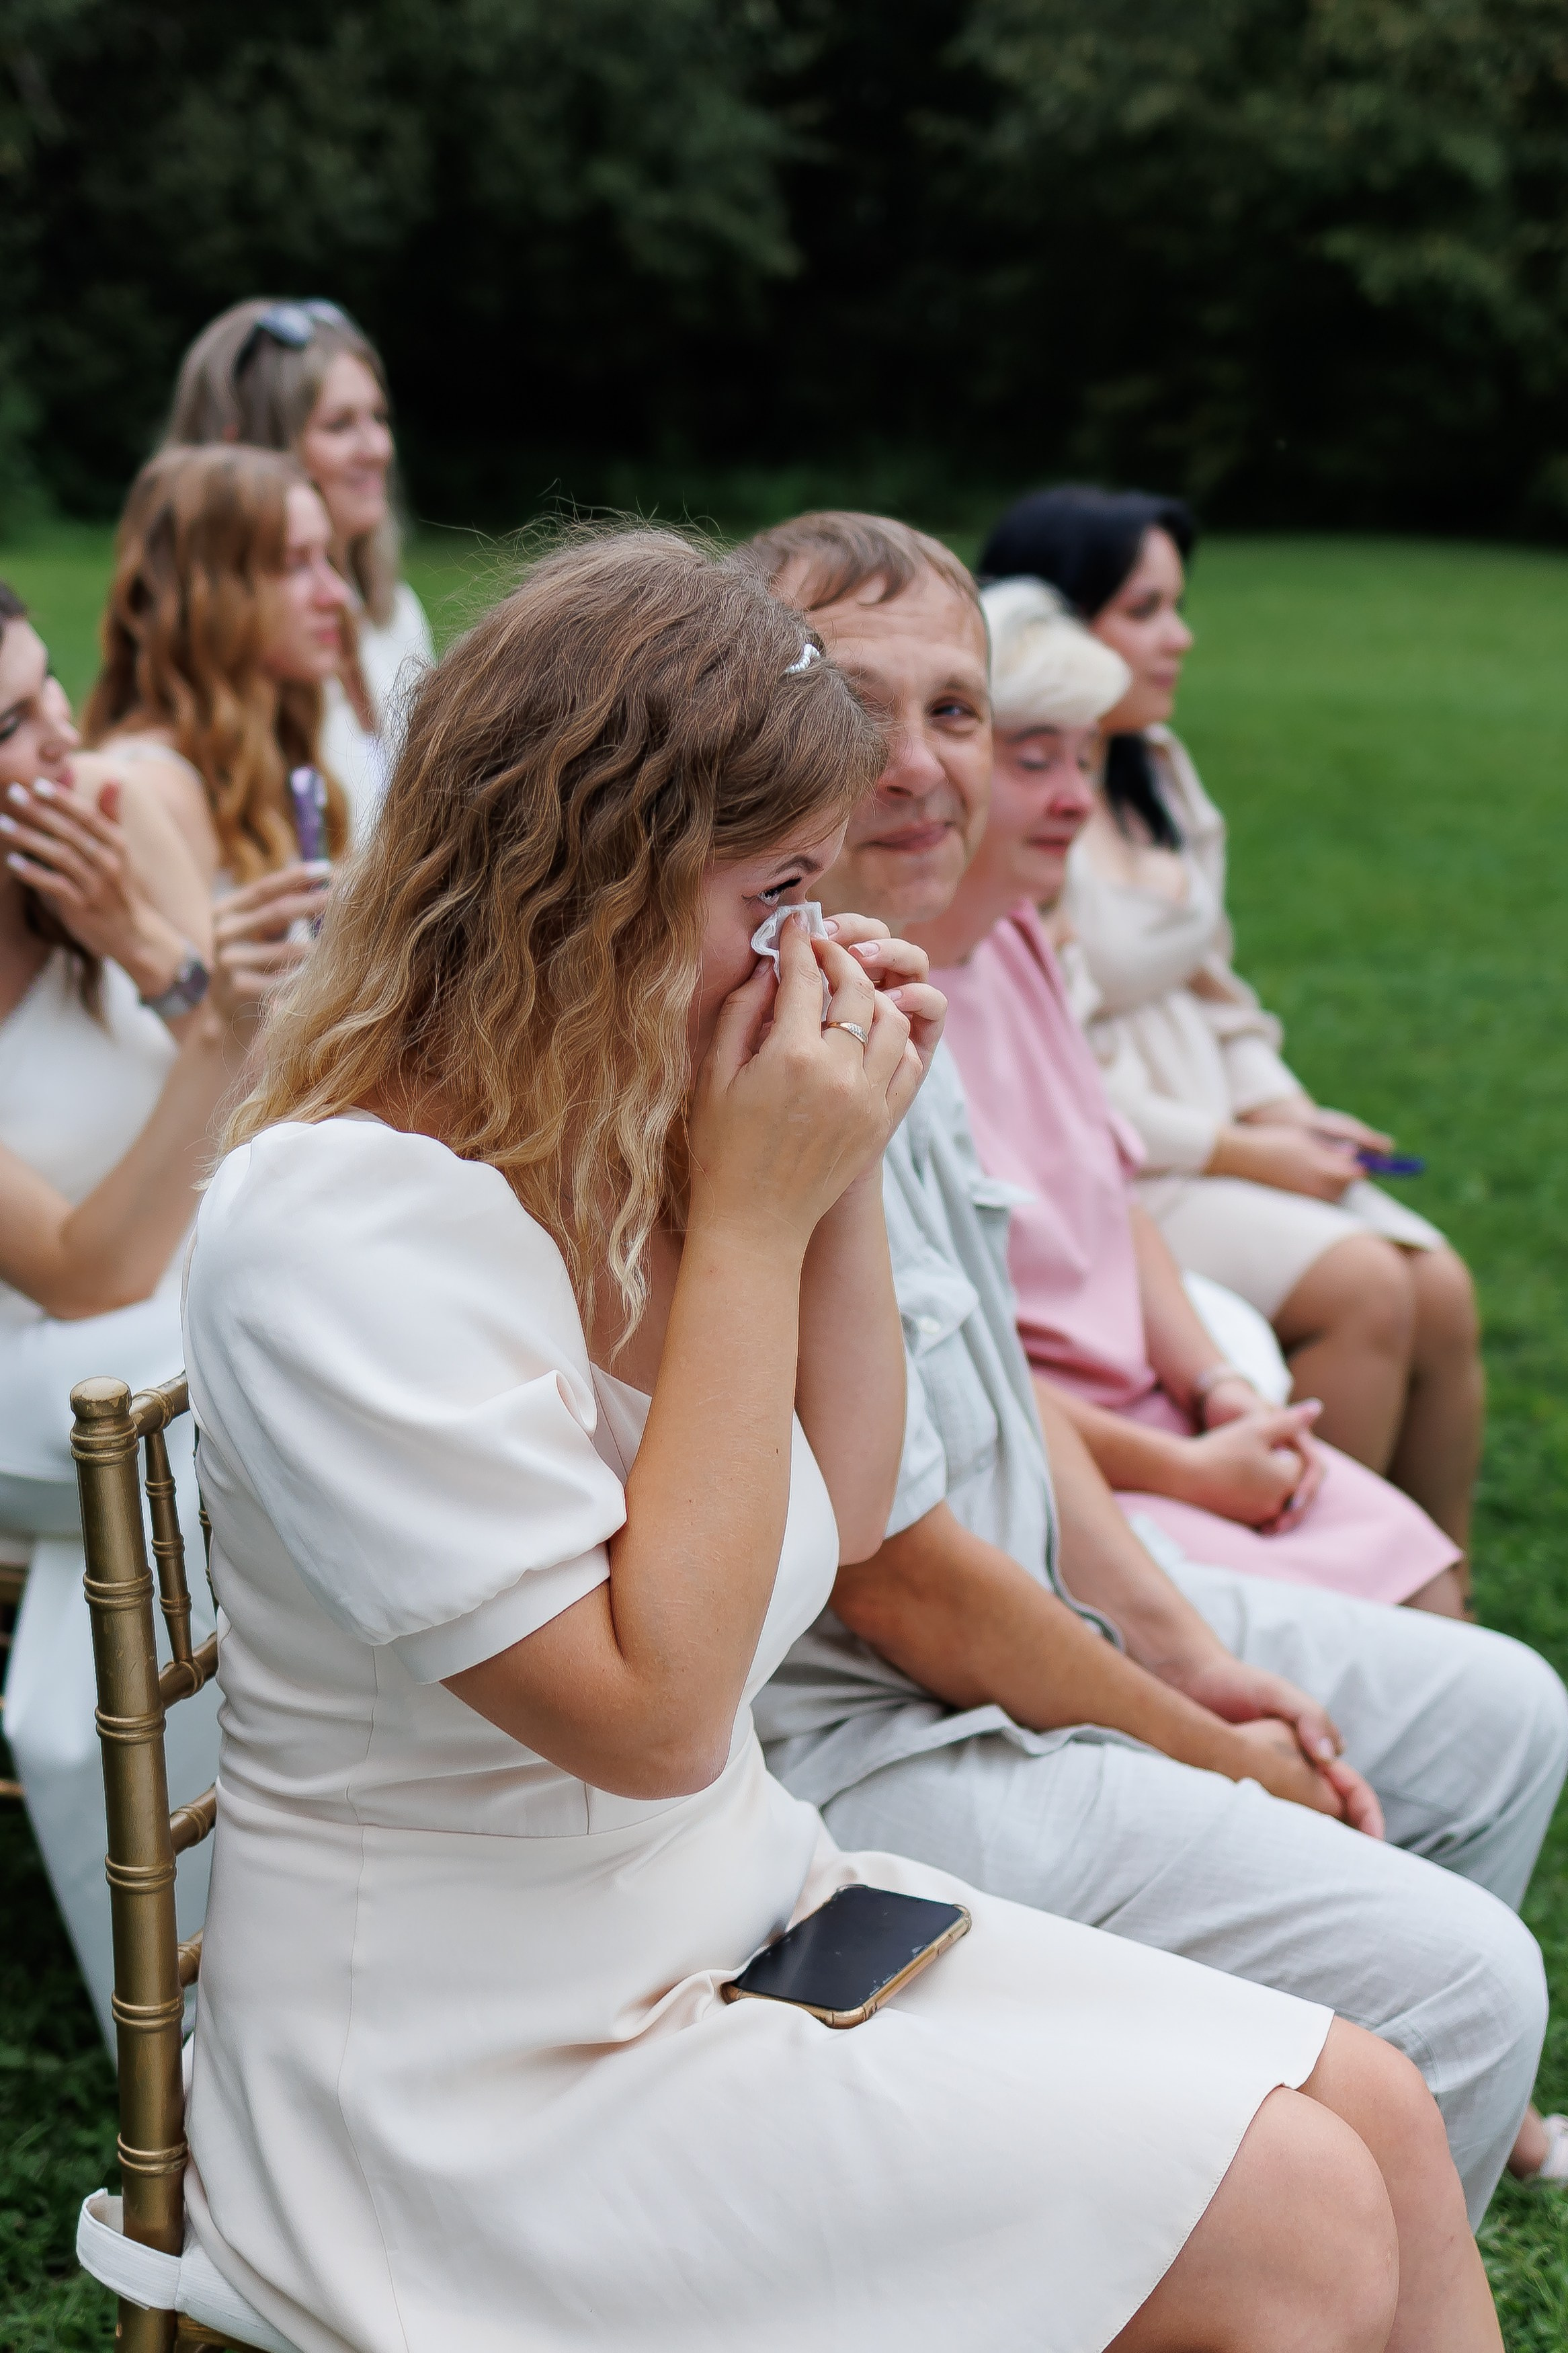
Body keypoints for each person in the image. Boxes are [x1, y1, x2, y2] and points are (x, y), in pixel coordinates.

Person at [180, 526, 1489, 2353]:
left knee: (1377, 2109)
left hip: (728, 1920)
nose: (806, 942)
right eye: (774, 891)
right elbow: (646, 1716)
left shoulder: (603, 1122)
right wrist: (747, 1221)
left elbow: (848, 1494)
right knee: (1297, 2221)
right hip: (472, 2082)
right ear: (594, 880)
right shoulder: (336, 1226)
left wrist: (836, 1160)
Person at [740, 506, 1568, 2205]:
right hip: (857, 1753)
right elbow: (890, 1581)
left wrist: (1184, 1653)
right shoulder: (763, 1045)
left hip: (1023, 1621)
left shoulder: (900, 989)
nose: (918, 765)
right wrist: (1203, 1749)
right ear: (741, 731)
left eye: (955, 713)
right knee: (1469, 1978)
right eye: (851, 705)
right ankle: (1282, 2205)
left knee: (1499, 1716)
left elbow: (1010, 1411)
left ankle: (1319, 2188)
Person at [920, 575, 1467, 1613]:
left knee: (1435, 1579)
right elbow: (954, 1370)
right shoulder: (894, 1007)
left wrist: (1216, 1386)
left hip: (1151, 1407)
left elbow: (1115, 1209)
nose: (1080, 800)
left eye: (1086, 760)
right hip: (1054, 1463)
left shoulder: (1018, 943)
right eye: (1038, 763)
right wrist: (1192, 1468)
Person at [0, 579, 328, 2041]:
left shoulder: (106, 834)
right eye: (12, 727)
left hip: (199, 1291)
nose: (66, 752)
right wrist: (204, 1027)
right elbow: (81, 1268)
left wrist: (150, 950)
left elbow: (280, 1106)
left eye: (52, 697)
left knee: (257, 1341)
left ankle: (232, 1948)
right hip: (42, 1361)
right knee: (259, 1354)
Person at [165, 296, 436, 836]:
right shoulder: (224, 664)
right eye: (340, 426)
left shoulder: (393, 614)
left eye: (378, 418)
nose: (377, 447)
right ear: (251, 453)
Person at [81, 443, 354, 895]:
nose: (336, 594)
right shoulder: (150, 787)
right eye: (295, 564)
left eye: (327, 558)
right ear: (207, 595)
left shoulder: (274, 741)